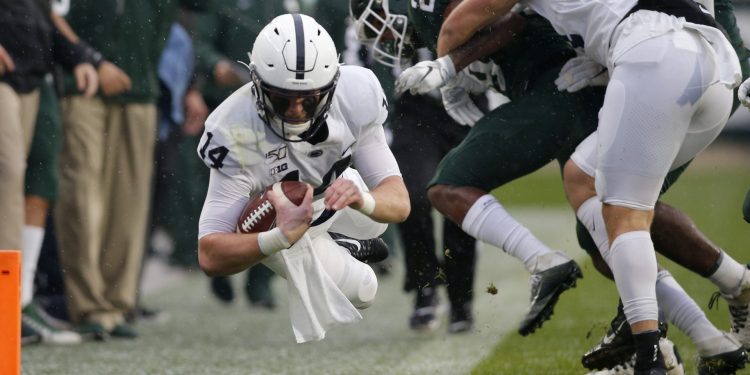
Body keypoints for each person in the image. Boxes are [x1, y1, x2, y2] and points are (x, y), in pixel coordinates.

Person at [383, 0, 750, 372]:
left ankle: (649, 357)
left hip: (651, 50)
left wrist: (449, 66)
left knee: (622, 215)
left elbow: (456, 27)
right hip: (714, 65)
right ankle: (710, 333)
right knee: (590, 187)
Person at [196, 13, 410, 343]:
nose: (296, 110)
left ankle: (342, 240)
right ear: (257, 84)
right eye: (283, 99)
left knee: (376, 222)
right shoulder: (234, 130)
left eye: (308, 100)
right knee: (364, 289)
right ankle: (323, 244)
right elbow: (210, 254)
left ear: (331, 87)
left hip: (340, 199)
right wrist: (279, 238)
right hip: (284, 223)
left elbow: (399, 202)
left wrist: (361, 197)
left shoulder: (355, 94)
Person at [56, 0, 208, 340]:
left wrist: (193, 82)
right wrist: (85, 57)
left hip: (139, 83)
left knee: (129, 204)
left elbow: (198, 7)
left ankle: (116, 302)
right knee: (81, 197)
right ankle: (88, 306)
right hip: (81, 79)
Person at [0, 0, 98, 345]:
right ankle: (7, 307)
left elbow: (43, 14)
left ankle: (19, 301)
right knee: (8, 178)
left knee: (37, 184)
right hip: (6, 76)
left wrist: (81, 56)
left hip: (36, 74)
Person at [193, 0, 293, 309]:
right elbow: (202, 44)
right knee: (222, 193)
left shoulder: (278, 6)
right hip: (226, 113)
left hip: (270, 117)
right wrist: (215, 65)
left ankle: (260, 283)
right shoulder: (221, 5)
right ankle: (221, 264)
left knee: (270, 196)